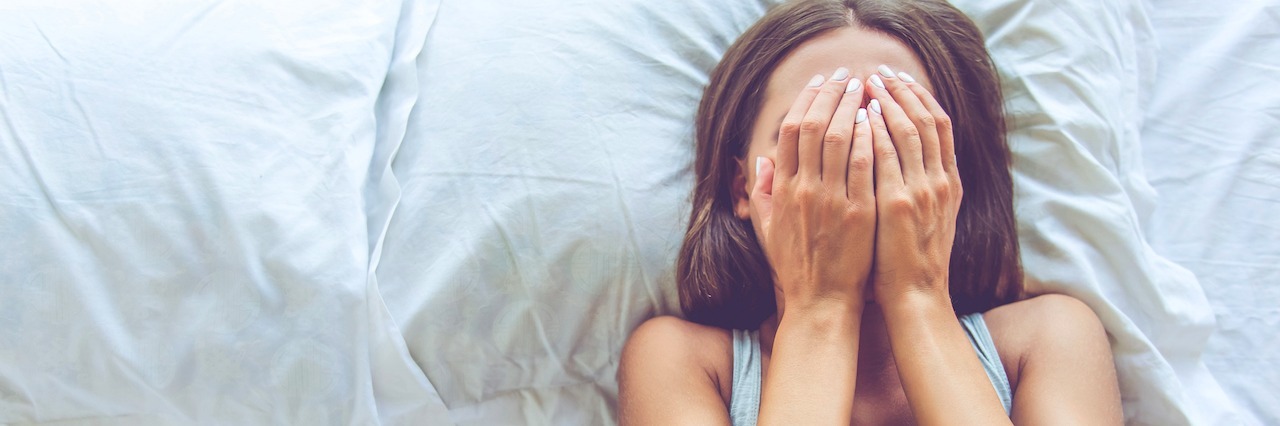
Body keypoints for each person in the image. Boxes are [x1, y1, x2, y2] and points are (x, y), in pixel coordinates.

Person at [617, 0, 1123, 424]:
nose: (858, 161)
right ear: (741, 187)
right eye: (811, 137)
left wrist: (919, 296)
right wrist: (820, 308)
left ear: (951, 183)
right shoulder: (680, 362)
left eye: (900, 134)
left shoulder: (1048, 338)